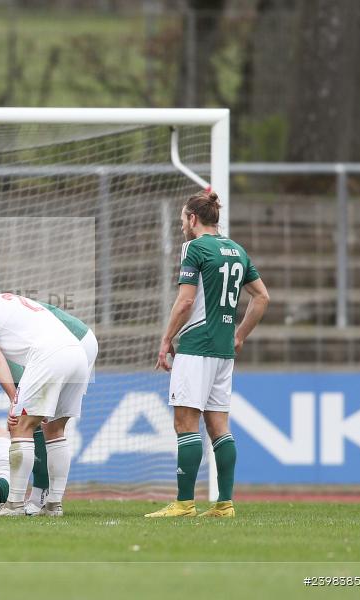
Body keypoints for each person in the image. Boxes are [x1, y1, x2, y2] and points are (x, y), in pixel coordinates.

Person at [148, 190, 269, 518]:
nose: (181, 226)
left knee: (185, 423)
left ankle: (185, 504)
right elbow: (261, 297)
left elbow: (186, 302)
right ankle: (224, 504)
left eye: (182, 219)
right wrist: (239, 335)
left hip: (197, 347)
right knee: (219, 425)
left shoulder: (195, 247)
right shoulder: (237, 250)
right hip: (222, 351)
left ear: (192, 219)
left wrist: (166, 339)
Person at [0, 290, 97, 517]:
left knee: (20, 426)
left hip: (50, 354)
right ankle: (53, 504)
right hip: (75, 353)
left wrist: (13, 399)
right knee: (55, 430)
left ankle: (14, 504)